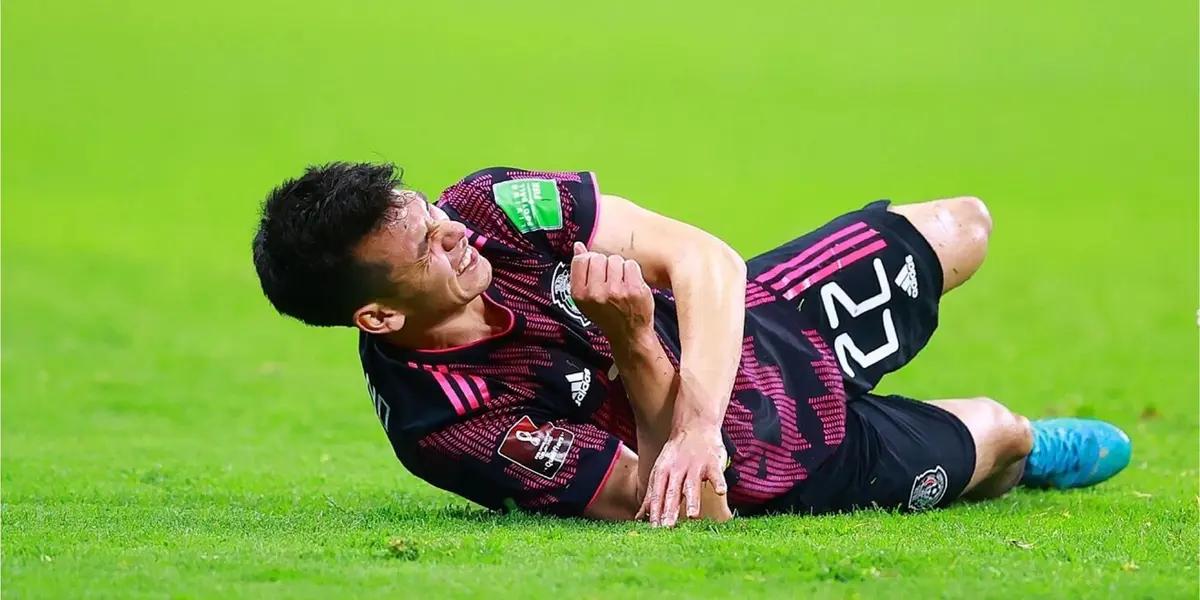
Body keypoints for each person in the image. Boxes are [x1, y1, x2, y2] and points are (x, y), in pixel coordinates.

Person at [251, 163, 1132, 526]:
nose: (459, 235)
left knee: (963, 225)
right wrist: (633, 340)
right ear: (377, 318)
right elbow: (683, 502)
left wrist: (697, 399)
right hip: (771, 458)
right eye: (430, 248)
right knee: (1003, 431)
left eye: (436, 217)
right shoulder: (449, 423)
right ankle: (1023, 452)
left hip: (747, 333)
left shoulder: (489, 204)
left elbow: (704, 258)